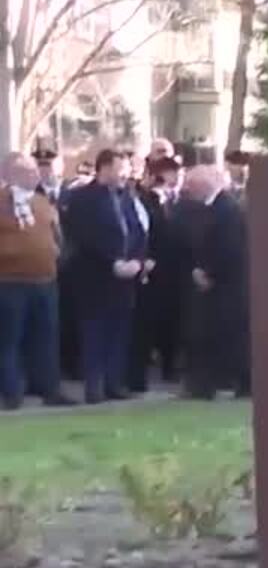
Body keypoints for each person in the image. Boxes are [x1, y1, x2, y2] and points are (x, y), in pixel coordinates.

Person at [62, 149, 148, 403]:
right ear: (105, 168)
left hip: (124, 280)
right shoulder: (82, 199)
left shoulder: (126, 197)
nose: (125, 174)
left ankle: (114, 382)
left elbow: (137, 231)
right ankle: (94, 385)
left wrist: (137, 260)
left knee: (118, 331)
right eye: (120, 168)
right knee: (94, 332)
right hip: (95, 277)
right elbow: (84, 236)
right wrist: (112, 262)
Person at [0, 152, 72, 409]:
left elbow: (59, 237)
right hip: (9, 283)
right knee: (10, 340)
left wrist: (57, 255)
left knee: (47, 338)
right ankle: (11, 393)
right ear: (8, 173)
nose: (33, 175)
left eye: (33, 170)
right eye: (25, 170)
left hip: (45, 281)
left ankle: (50, 390)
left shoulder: (43, 203)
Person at [177, 165, 251, 399]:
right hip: (221, 284)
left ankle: (226, 383)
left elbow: (228, 247)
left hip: (225, 285)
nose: (188, 189)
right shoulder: (217, 208)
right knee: (216, 335)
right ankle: (210, 383)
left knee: (225, 336)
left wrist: (208, 272)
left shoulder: (225, 209)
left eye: (192, 184)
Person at [128, 155, 184, 393]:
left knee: (172, 322)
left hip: (175, 271)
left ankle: (170, 367)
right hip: (152, 270)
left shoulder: (179, 201)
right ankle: (140, 373)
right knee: (147, 323)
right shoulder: (144, 201)